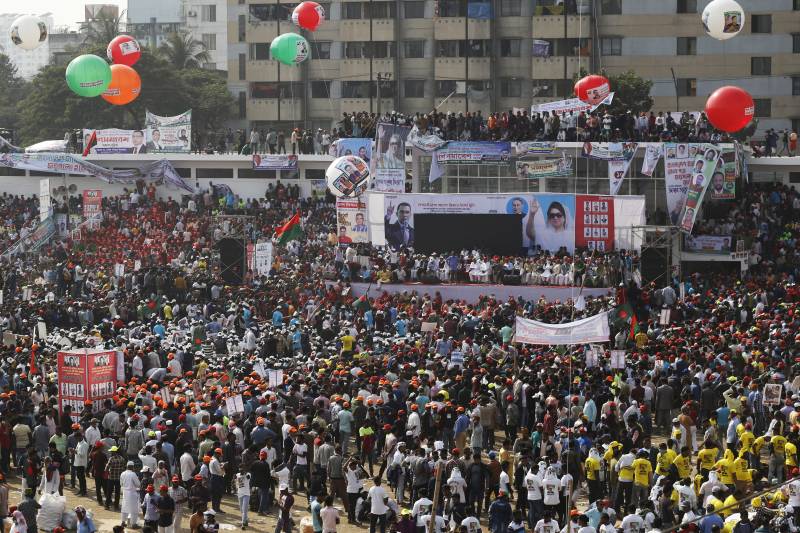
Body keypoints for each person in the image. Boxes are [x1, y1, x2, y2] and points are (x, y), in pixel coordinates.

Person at [120, 460, 141, 529]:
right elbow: (138, 484)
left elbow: (121, 484)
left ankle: (123, 522)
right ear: (132, 467)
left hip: (125, 492)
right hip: (132, 493)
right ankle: (133, 524)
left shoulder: (122, 473)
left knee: (124, 507)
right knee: (134, 509)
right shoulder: (133, 474)